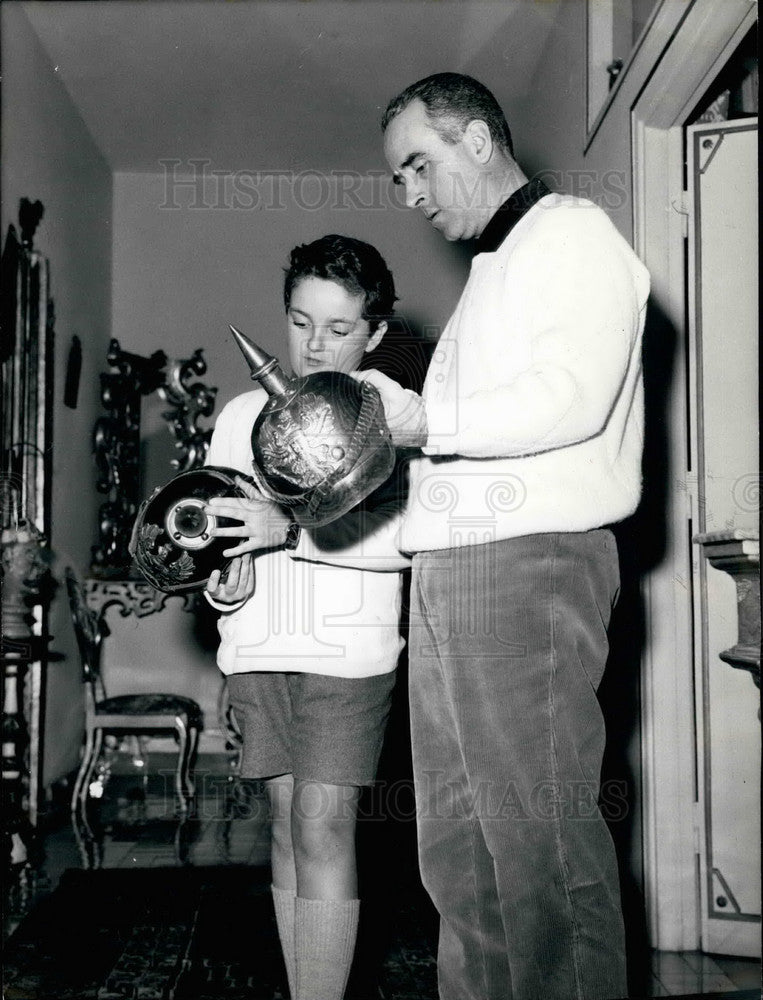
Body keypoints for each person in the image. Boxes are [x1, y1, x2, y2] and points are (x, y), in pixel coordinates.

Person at [353, 73, 650, 1000]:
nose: (409, 195)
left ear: (478, 141)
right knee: (458, 854)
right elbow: (457, 444)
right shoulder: (494, 269)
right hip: (451, 571)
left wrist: (416, 425)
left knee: (542, 851)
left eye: (418, 165)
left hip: (528, 565)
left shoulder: (571, 234)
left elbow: (567, 399)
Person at [202, 234, 409, 1000]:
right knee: (287, 831)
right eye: (299, 321)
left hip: (347, 655)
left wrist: (286, 530)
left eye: (339, 328)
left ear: (375, 334)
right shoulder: (240, 415)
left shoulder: (389, 418)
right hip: (260, 646)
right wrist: (223, 587)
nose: (314, 345)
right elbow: (225, 545)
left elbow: (401, 544)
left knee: (324, 830)